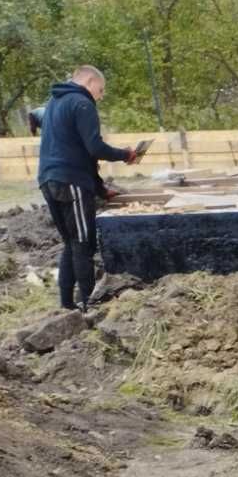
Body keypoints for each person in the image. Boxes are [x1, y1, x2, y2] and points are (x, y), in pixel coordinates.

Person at [35, 66, 141, 314]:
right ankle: (89, 304)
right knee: (84, 243)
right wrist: (125, 154)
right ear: (90, 82)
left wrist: (100, 189)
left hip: (48, 179)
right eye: (101, 90)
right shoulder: (82, 104)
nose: (100, 96)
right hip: (70, 180)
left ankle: (66, 303)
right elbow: (94, 148)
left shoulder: (54, 102)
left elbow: (79, 151)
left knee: (71, 242)